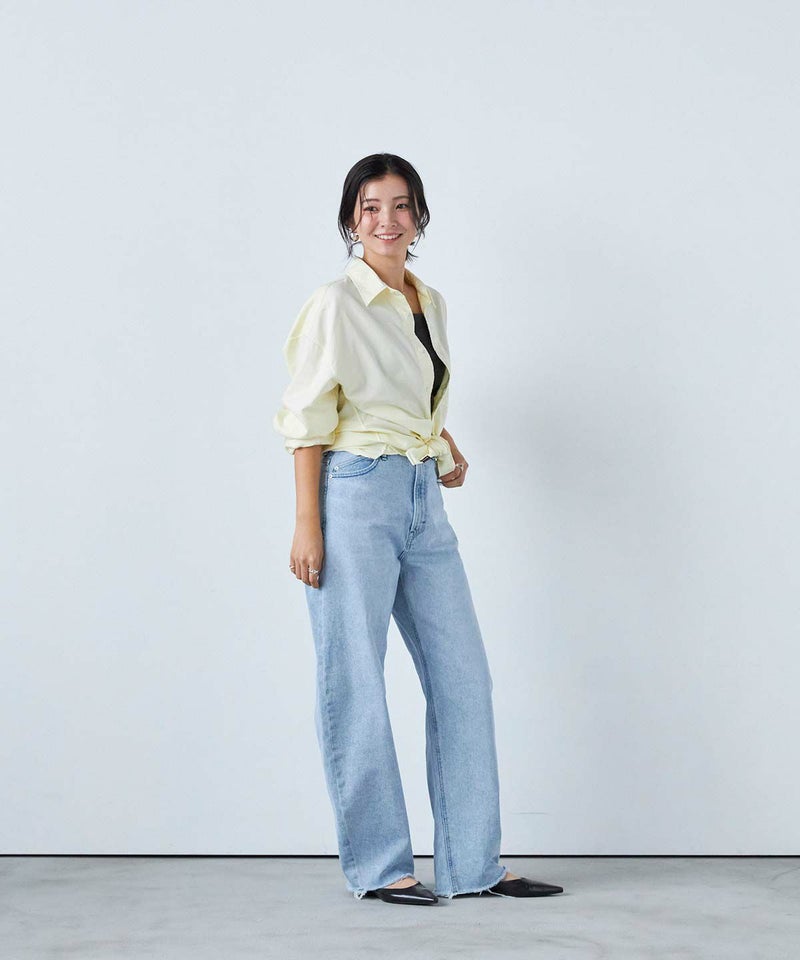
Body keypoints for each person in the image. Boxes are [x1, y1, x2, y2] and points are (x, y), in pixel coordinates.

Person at [273, 153, 564, 905]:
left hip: (421, 500)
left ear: (419, 217)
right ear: (351, 219)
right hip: (353, 498)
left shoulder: (426, 300)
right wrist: (307, 524)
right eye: (371, 207)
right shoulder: (336, 303)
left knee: (463, 677)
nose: (387, 220)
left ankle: (474, 865)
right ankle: (381, 867)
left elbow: (407, 396)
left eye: (401, 205)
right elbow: (308, 419)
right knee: (355, 680)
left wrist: (442, 445)